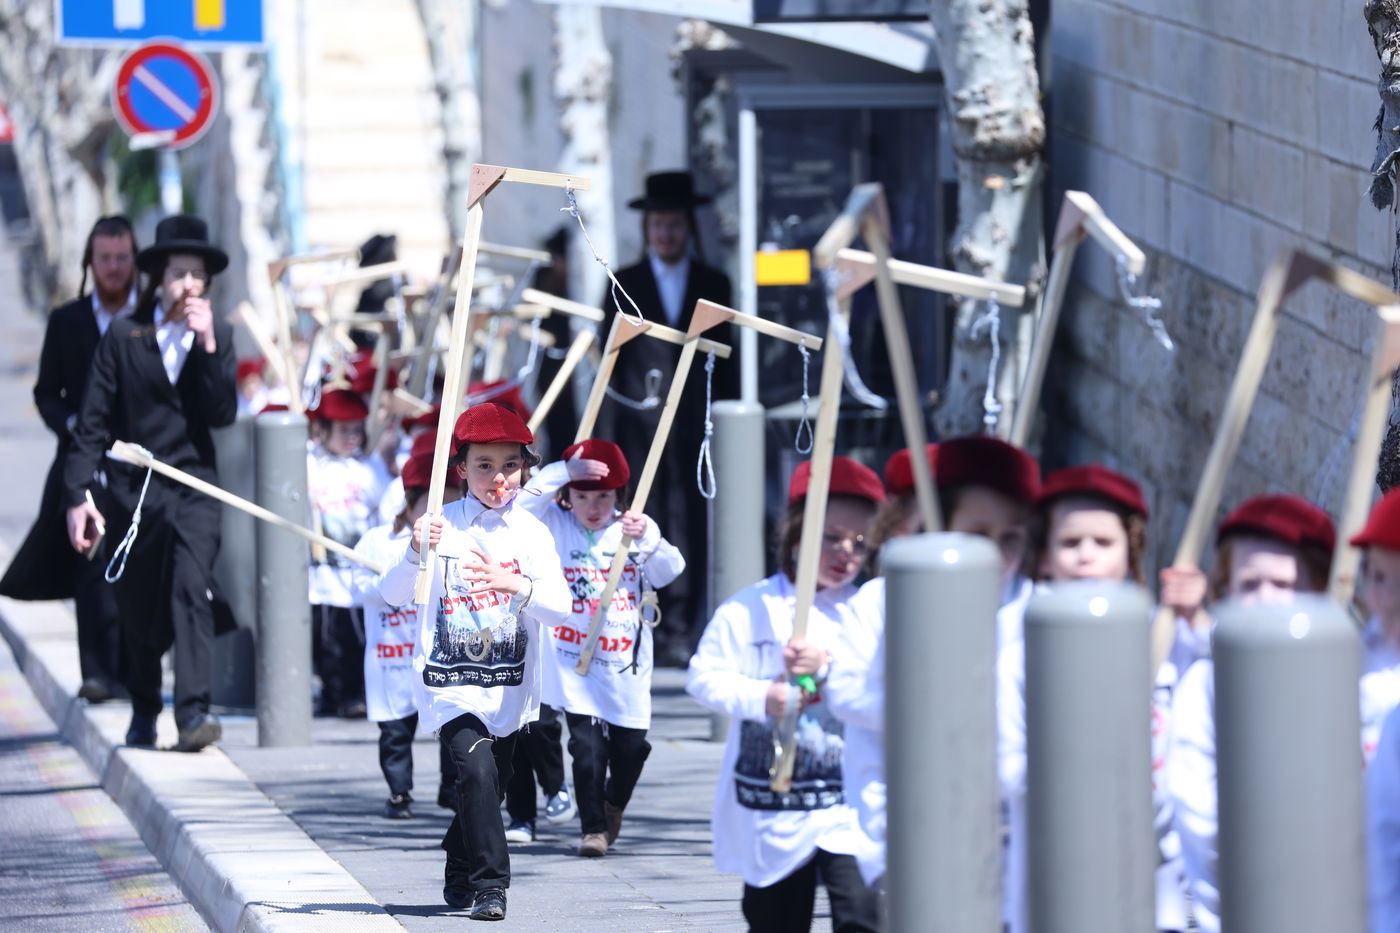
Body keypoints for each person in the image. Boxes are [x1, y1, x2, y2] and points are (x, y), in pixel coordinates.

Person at [378, 401, 569, 921]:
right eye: (484, 465)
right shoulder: (439, 527)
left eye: (510, 465)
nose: (498, 478)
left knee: (490, 785)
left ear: (525, 469)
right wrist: (415, 550)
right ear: (460, 469)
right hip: (449, 680)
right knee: (477, 770)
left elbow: (563, 608)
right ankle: (492, 887)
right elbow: (391, 594)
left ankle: (459, 856)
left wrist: (518, 586)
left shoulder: (532, 534)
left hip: (509, 684)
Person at [995, 464, 1204, 933]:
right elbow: (1006, 764)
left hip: (1154, 885)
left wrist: (1198, 618)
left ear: (1130, 554)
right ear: (1045, 556)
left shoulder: (1166, 638)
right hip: (1055, 881)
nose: (1085, 556)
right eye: (1070, 543)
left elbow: (1220, 705)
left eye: (1103, 543)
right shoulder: (1020, 650)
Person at [825, 436, 1040, 888]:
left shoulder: (1034, 609)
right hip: (899, 824)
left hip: (1007, 840)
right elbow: (845, 692)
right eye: (978, 535)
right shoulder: (883, 601)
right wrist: (928, 710)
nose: (995, 554)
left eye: (1010, 538)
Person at [62, 214, 238, 753]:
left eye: (198, 275)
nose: (189, 284)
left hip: (194, 487)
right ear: (159, 278)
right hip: (134, 491)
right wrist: (76, 496)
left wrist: (207, 346)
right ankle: (144, 707)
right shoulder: (124, 335)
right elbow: (91, 423)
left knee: (190, 588)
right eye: (179, 273)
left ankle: (192, 715)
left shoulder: (220, 334)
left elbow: (222, 412)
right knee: (139, 606)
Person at [687, 456, 885, 933]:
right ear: (798, 536)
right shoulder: (751, 608)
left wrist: (830, 668)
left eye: (859, 543)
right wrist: (762, 697)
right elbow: (703, 677)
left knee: (862, 915)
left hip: (847, 801)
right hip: (776, 802)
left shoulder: (869, 610)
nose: (846, 554)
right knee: (775, 918)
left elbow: (892, 692)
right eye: (831, 537)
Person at [1166, 494, 1336, 933]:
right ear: (1224, 590)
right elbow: (1198, 812)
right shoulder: (1205, 686)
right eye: (1249, 584)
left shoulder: (1337, 684)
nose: (1264, 600)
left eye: (1283, 586)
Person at [519, 438, 685, 856]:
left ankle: (614, 803)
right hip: (574, 663)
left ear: (619, 496)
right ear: (568, 496)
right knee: (586, 750)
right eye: (582, 496)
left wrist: (647, 536)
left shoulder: (632, 531)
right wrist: (564, 470)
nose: (593, 506)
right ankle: (592, 830)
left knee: (630, 748)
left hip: (624, 664)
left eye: (604, 496)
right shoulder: (554, 527)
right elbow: (521, 507)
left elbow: (671, 571)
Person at [1, 216, 138, 702]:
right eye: (105, 259)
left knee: (138, 564)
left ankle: (135, 673)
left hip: (139, 466)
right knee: (92, 561)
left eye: (123, 258)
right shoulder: (67, 322)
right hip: (83, 464)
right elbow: (46, 394)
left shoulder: (151, 321)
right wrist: (75, 426)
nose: (114, 268)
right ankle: (99, 675)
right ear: (91, 262)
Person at [599, 171, 733, 663]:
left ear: (688, 227)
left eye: (675, 224)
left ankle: (686, 620)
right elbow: (608, 360)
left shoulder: (714, 283)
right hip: (641, 424)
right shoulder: (624, 282)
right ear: (647, 228)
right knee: (644, 514)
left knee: (695, 516)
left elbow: (729, 360)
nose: (666, 234)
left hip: (696, 426)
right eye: (658, 224)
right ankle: (644, 611)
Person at [353, 450, 462, 819]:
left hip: (436, 651)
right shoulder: (378, 541)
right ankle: (399, 792)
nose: (441, 516)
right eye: (434, 505)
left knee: (451, 724)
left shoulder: (458, 541)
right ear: (412, 500)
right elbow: (359, 586)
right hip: (392, 654)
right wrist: (393, 578)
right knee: (396, 731)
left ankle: (452, 788)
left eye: (450, 504)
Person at [308, 387, 388, 718]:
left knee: (355, 637)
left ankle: (354, 695)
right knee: (323, 637)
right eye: (343, 430)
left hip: (356, 568)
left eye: (357, 429)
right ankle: (331, 692)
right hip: (322, 569)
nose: (351, 437)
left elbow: (385, 509)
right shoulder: (309, 463)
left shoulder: (368, 468)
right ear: (322, 430)